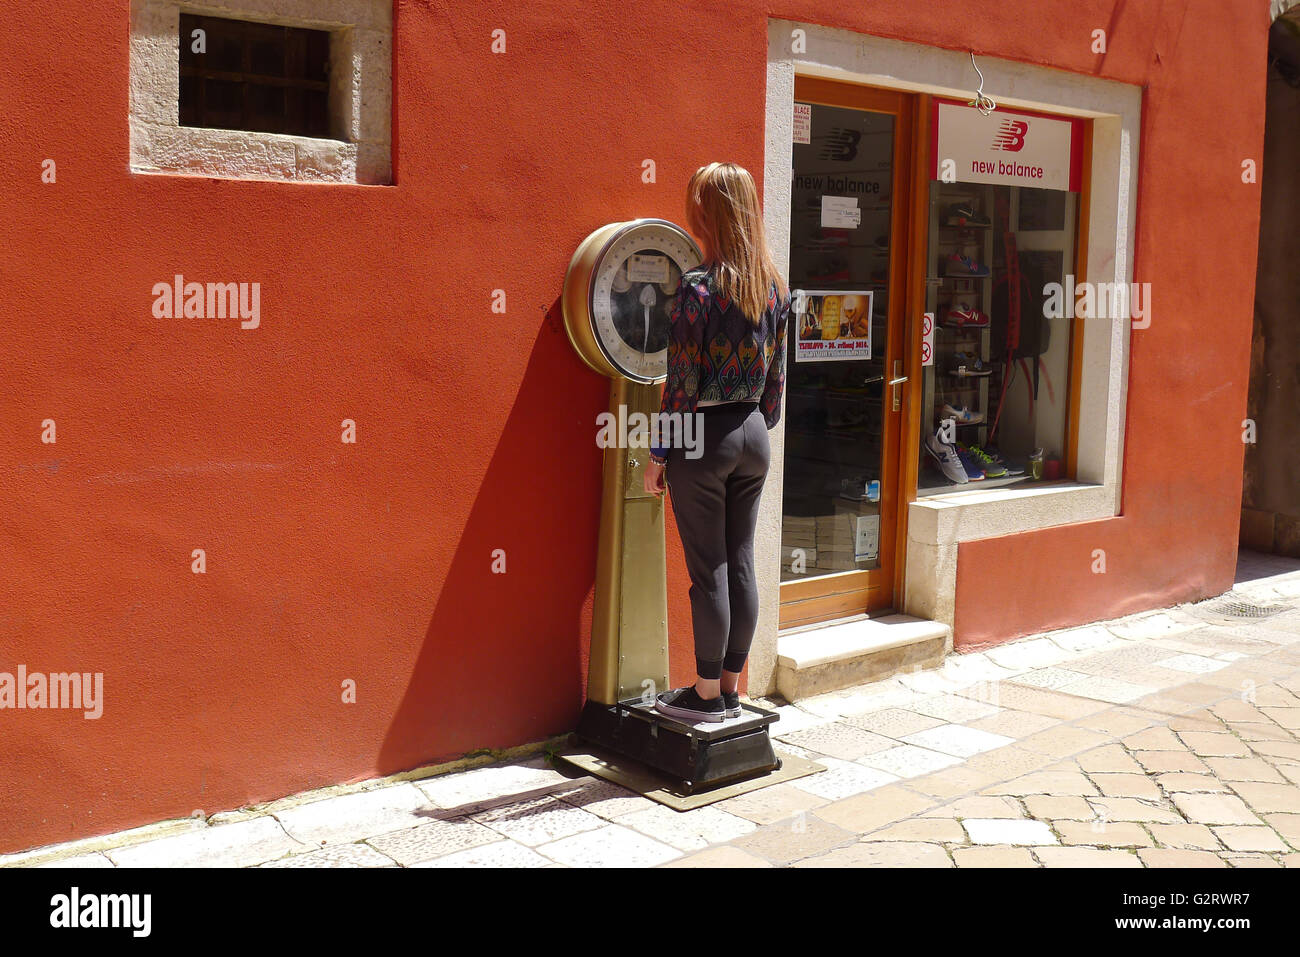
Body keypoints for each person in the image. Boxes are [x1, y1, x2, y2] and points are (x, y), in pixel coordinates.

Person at [643, 162, 791, 723]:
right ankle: (730, 687)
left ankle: (705, 697)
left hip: (703, 438)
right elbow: (776, 388)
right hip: (754, 433)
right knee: (741, 562)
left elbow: (679, 386)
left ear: (704, 213)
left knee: (708, 571)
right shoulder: (774, 287)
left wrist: (660, 456)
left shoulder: (698, 291)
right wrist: (752, 422)